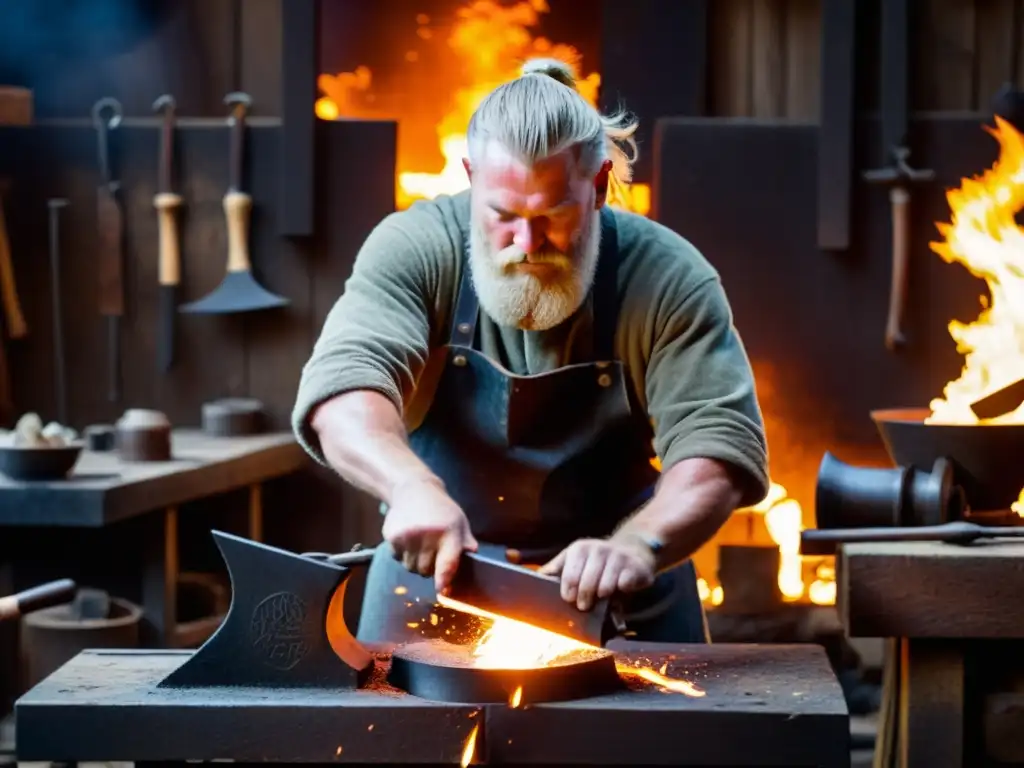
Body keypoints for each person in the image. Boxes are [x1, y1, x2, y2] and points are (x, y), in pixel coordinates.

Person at [291, 58, 769, 645]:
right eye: (503, 216)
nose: (526, 243)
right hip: (434, 589)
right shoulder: (416, 248)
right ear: (471, 178)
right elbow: (344, 389)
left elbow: (716, 444)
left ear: (597, 187)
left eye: (552, 216)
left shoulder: (668, 277)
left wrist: (637, 544)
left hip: (620, 607)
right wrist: (409, 487)